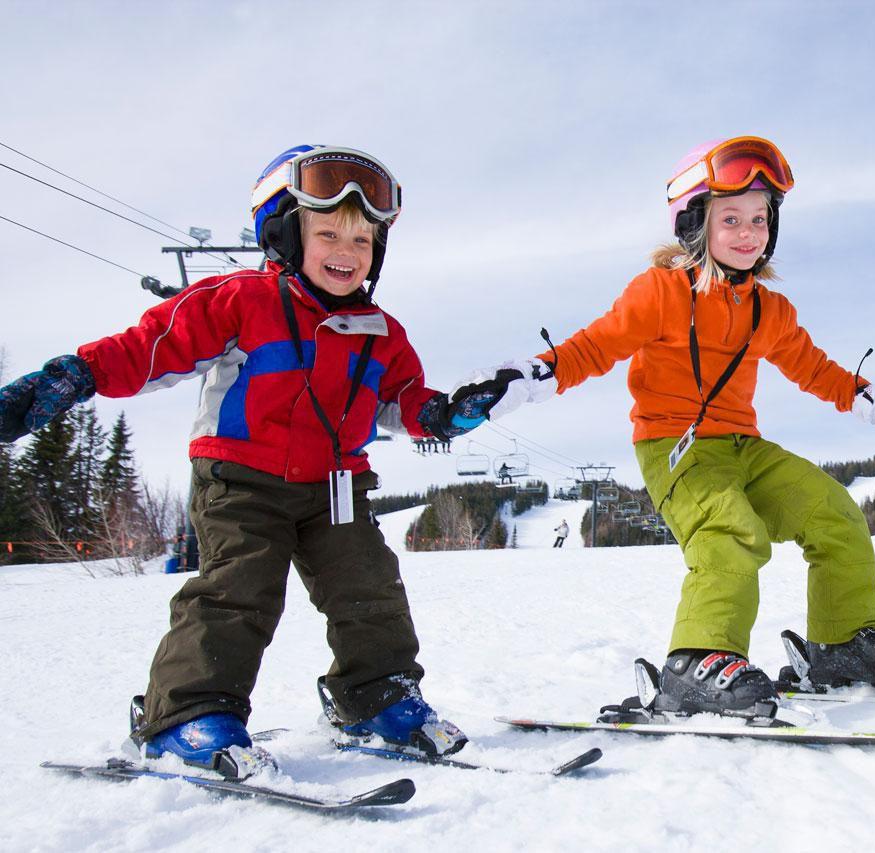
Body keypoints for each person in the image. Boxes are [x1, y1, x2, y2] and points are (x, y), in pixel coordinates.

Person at [0, 145, 546, 777]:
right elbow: (152, 347)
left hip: (337, 485)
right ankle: (186, 715)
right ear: (287, 232)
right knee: (240, 591)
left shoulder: (382, 330)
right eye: (329, 233)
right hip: (241, 478)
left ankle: (374, 700)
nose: (349, 251)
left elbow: (402, 401)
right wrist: (77, 374)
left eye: (364, 240)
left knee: (368, 587)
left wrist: (447, 413)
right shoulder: (239, 299)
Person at [466, 136, 875, 716]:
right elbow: (595, 346)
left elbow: (813, 368)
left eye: (759, 218)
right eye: (731, 218)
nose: (750, 232)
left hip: (744, 446)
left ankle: (841, 645)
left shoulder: (768, 309)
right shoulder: (661, 294)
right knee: (730, 531)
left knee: (835, 513)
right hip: (676, 447)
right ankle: (697, 661)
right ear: (696, 223)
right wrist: (526, 377)